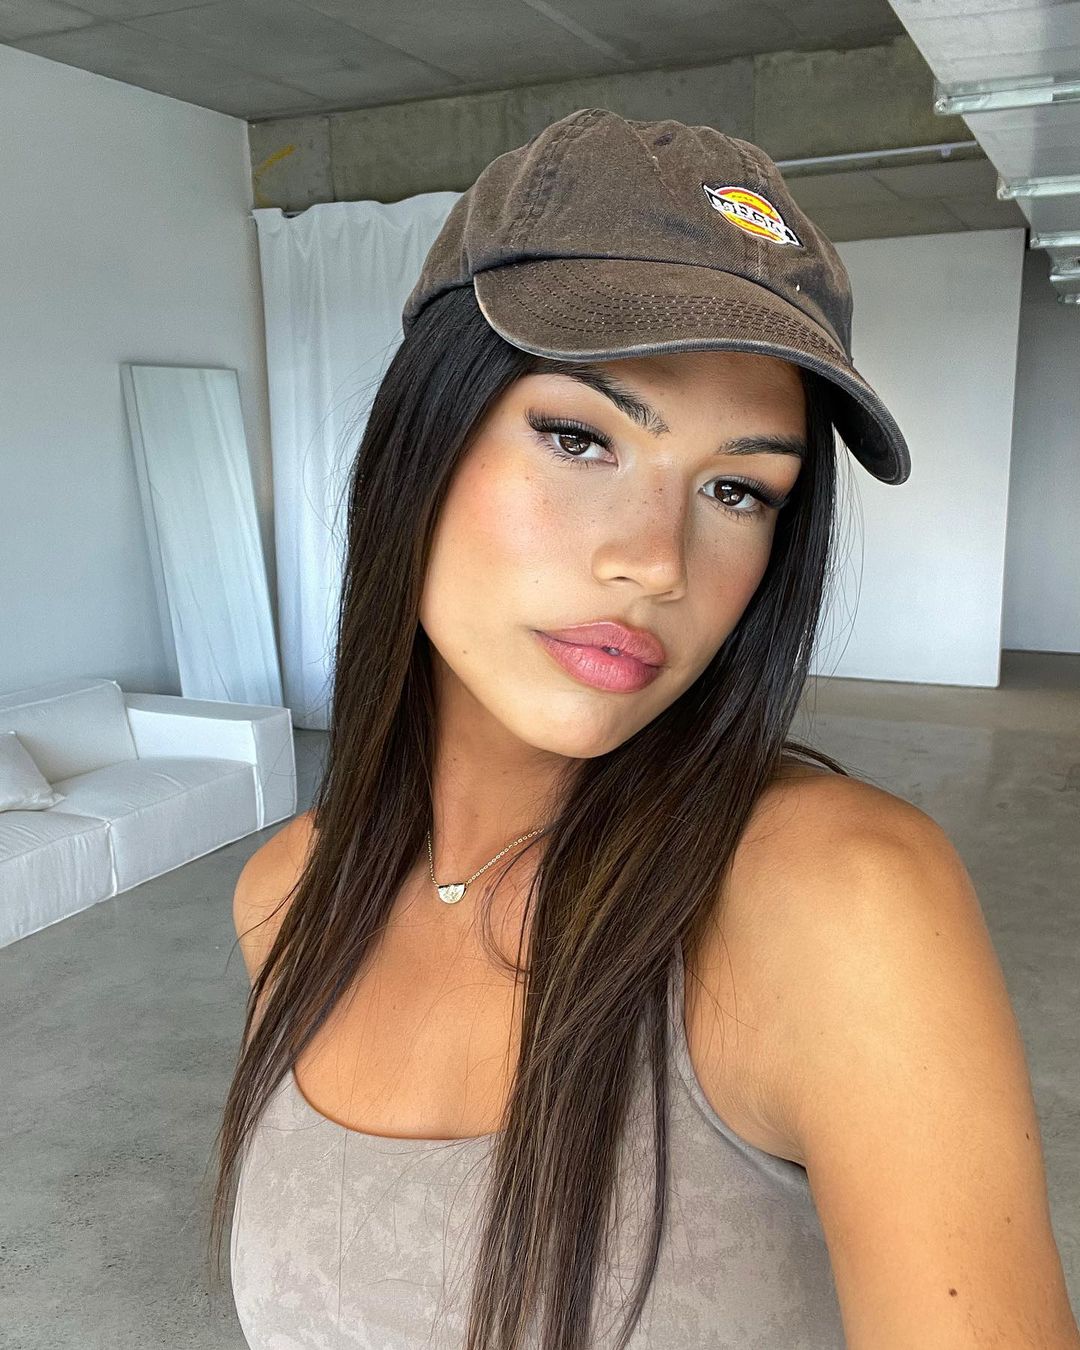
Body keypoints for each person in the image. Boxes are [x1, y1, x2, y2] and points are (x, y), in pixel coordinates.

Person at [211, 109, 1080, 1349]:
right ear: (422, 439)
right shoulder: (287, 895)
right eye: (581, 438)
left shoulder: (836, 902)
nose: (658, 562)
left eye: (739, 489)